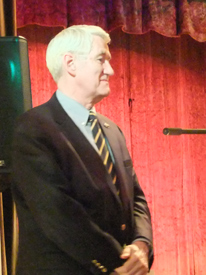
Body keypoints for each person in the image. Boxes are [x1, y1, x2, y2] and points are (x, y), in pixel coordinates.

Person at [11, 25, 153, 275]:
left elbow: (136, 200)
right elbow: (59, 215)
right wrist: (121, 262)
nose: (110, 70)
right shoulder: (33, 129)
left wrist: (142, 246)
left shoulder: (111, 130)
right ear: (71, 64)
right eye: (102, 59)